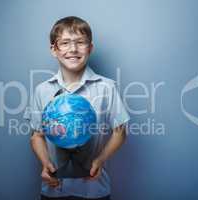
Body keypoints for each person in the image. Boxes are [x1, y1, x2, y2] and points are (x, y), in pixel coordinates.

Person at [24, 16, 130, 200]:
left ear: (90, 48)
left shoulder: (106, 87)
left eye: (80, 42)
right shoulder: (42, 90)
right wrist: (45, 163)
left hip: (94, 188)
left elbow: (120, 131)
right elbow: (36, 135)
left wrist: (100, 160)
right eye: (64, 43)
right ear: (54, 50)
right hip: (54, 188)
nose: (73, 49)